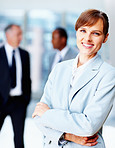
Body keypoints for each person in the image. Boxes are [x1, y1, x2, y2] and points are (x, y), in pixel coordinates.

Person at [32, 9, 115, 148]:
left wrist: (48, 114)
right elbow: (38, 117)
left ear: (105, 38)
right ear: (76, 32)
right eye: (83, 31)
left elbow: (88, 126)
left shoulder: (108, 74)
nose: (87, 38)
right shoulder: (60, 68)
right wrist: (68, 136)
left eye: (95, 33)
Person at [0, 24, 31, 148]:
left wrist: (26, 99)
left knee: (19, 138)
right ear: (8, 35)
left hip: (19, 102)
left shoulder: (25, 55)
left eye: (21, 34)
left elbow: (27, 79)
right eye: (17, 34)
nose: (20, 38)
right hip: (1, 101)